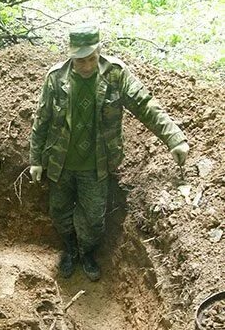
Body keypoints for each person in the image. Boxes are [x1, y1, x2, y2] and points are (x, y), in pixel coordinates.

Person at [29, 24, 188, 281]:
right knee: (59, 212)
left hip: (96, 165)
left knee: (93, 220)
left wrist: (174, 138)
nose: (86, 65)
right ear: (71, 56)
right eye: (80, 60)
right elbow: (41, 120)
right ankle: (70, 251)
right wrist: (36, 159)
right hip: (60, 163)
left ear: (99, 51)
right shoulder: (56, 78)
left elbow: (145, 105)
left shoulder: (115, 74)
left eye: (91, 58)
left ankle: (87, 253)